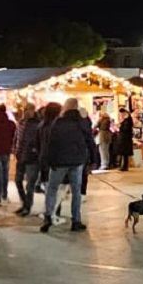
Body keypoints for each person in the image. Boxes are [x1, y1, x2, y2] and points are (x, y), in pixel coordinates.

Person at [40, 98, 90, 232]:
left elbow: (51, 142)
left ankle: (48, 216)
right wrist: (92, 160)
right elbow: (89, 140)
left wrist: (50, 160)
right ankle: (76, 220)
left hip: (59, 161)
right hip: (77, 161)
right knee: (76, 192)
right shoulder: (81, 122)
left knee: (52, 188)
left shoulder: (58, 122)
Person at [14, 105, 44, 216]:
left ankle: (27, 206)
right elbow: (16, 137)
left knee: (30, 184)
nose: (26, 112)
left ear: (33, 111)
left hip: (32, 158)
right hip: (20, 156)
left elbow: (41, 139)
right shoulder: (21, 123)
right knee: (18, 181)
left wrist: (36, 150)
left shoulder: (38, 124)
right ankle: (24, 202)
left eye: (28, 110)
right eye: (25, 110)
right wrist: (15, 149)